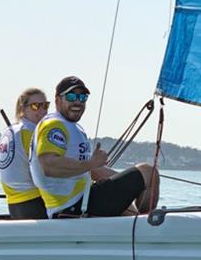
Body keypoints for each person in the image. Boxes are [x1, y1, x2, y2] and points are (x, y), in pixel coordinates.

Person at [29, 76, 160, 218]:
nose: (78, 101)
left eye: (82, 97)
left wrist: (124, 179)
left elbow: (90, 170)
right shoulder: (54, 125)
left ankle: (138, 222)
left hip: (82, 200)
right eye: (71, 96)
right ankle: (146, 226)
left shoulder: (73, 127)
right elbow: (49, 166)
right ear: (57, 100)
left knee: (131, 208)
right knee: (149, 173)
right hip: (74, 206)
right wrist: (91, 163)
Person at [0, 88, 49, 219]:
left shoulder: (7, 132)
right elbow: (47, 171)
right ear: (23, 109)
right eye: (36, 106)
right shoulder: (32, 134)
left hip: (14, 206)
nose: (42, 110)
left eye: (45, 105)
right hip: (35, 204)